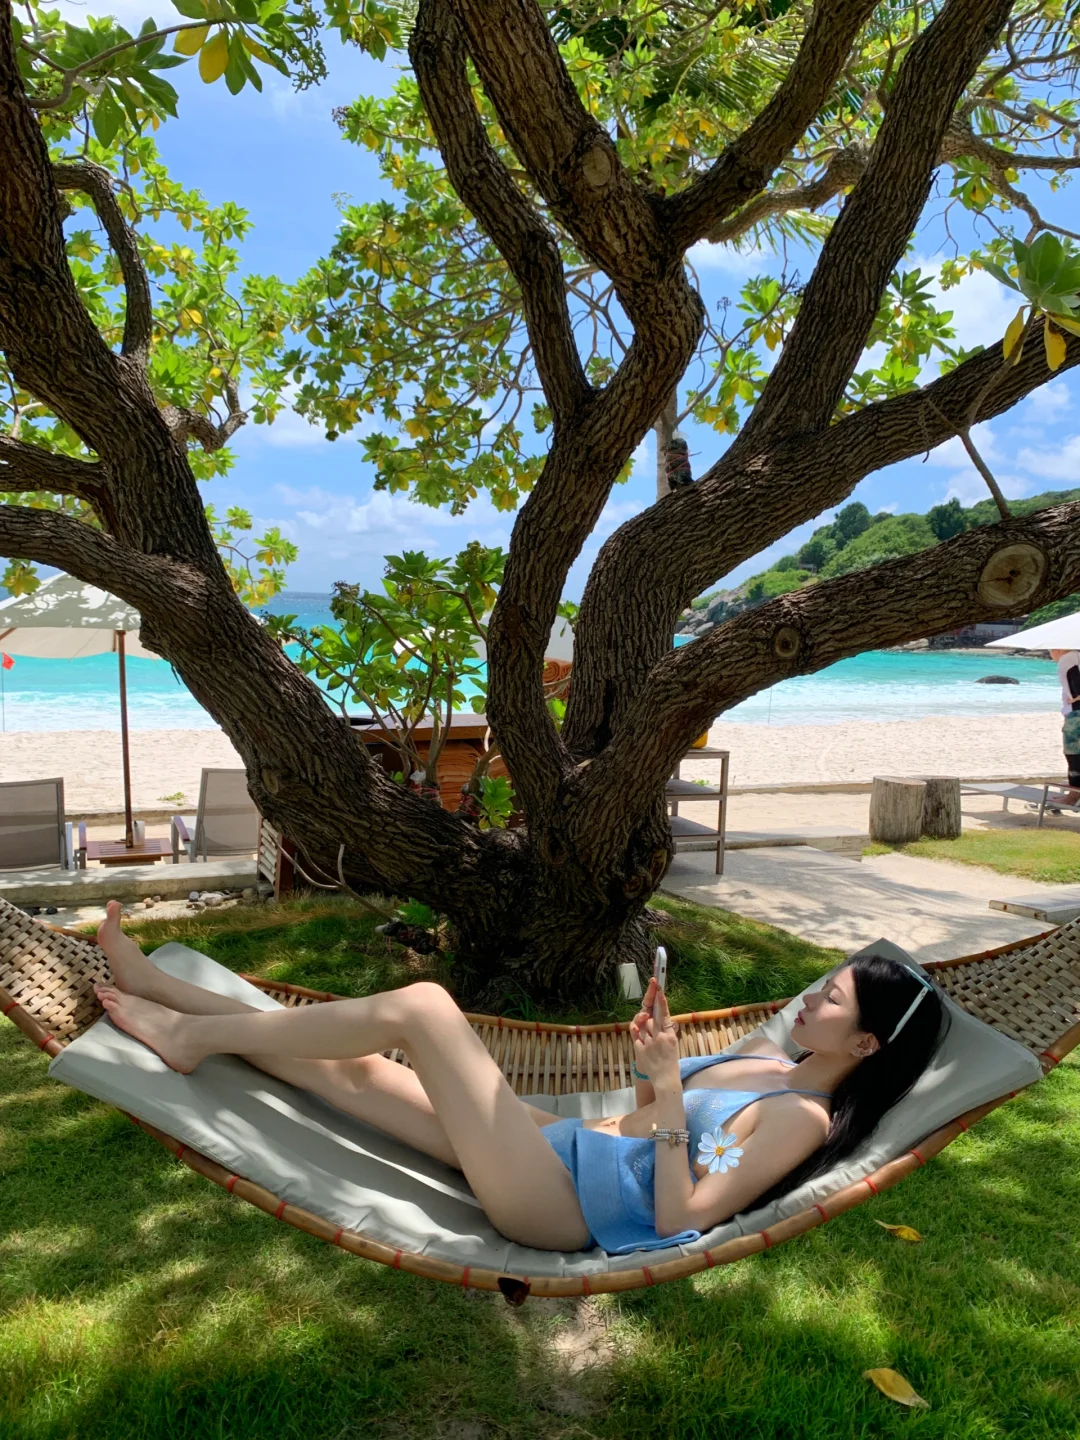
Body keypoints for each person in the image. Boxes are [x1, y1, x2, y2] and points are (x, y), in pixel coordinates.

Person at [92, 901, 949, 1255]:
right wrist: (652, 1065)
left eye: (830, 998)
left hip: (564, 1206)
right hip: (563, 1146)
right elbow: (653, 1122)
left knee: (425, 1008)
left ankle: (190, 1037)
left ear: (866, 1045)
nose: (810, 997)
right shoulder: (767, 1059)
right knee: (355, 1073)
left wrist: (666, 1090)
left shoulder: (800, 1116)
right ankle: (168, 993)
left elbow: (682, 1216)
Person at [1050, 648, 1080, 790]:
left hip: (1076, 713)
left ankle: (1074, 792)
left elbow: (1075, 687)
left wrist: (1075, 697)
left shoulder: (1067, 658)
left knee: (1073, 753)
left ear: (1058, 649)